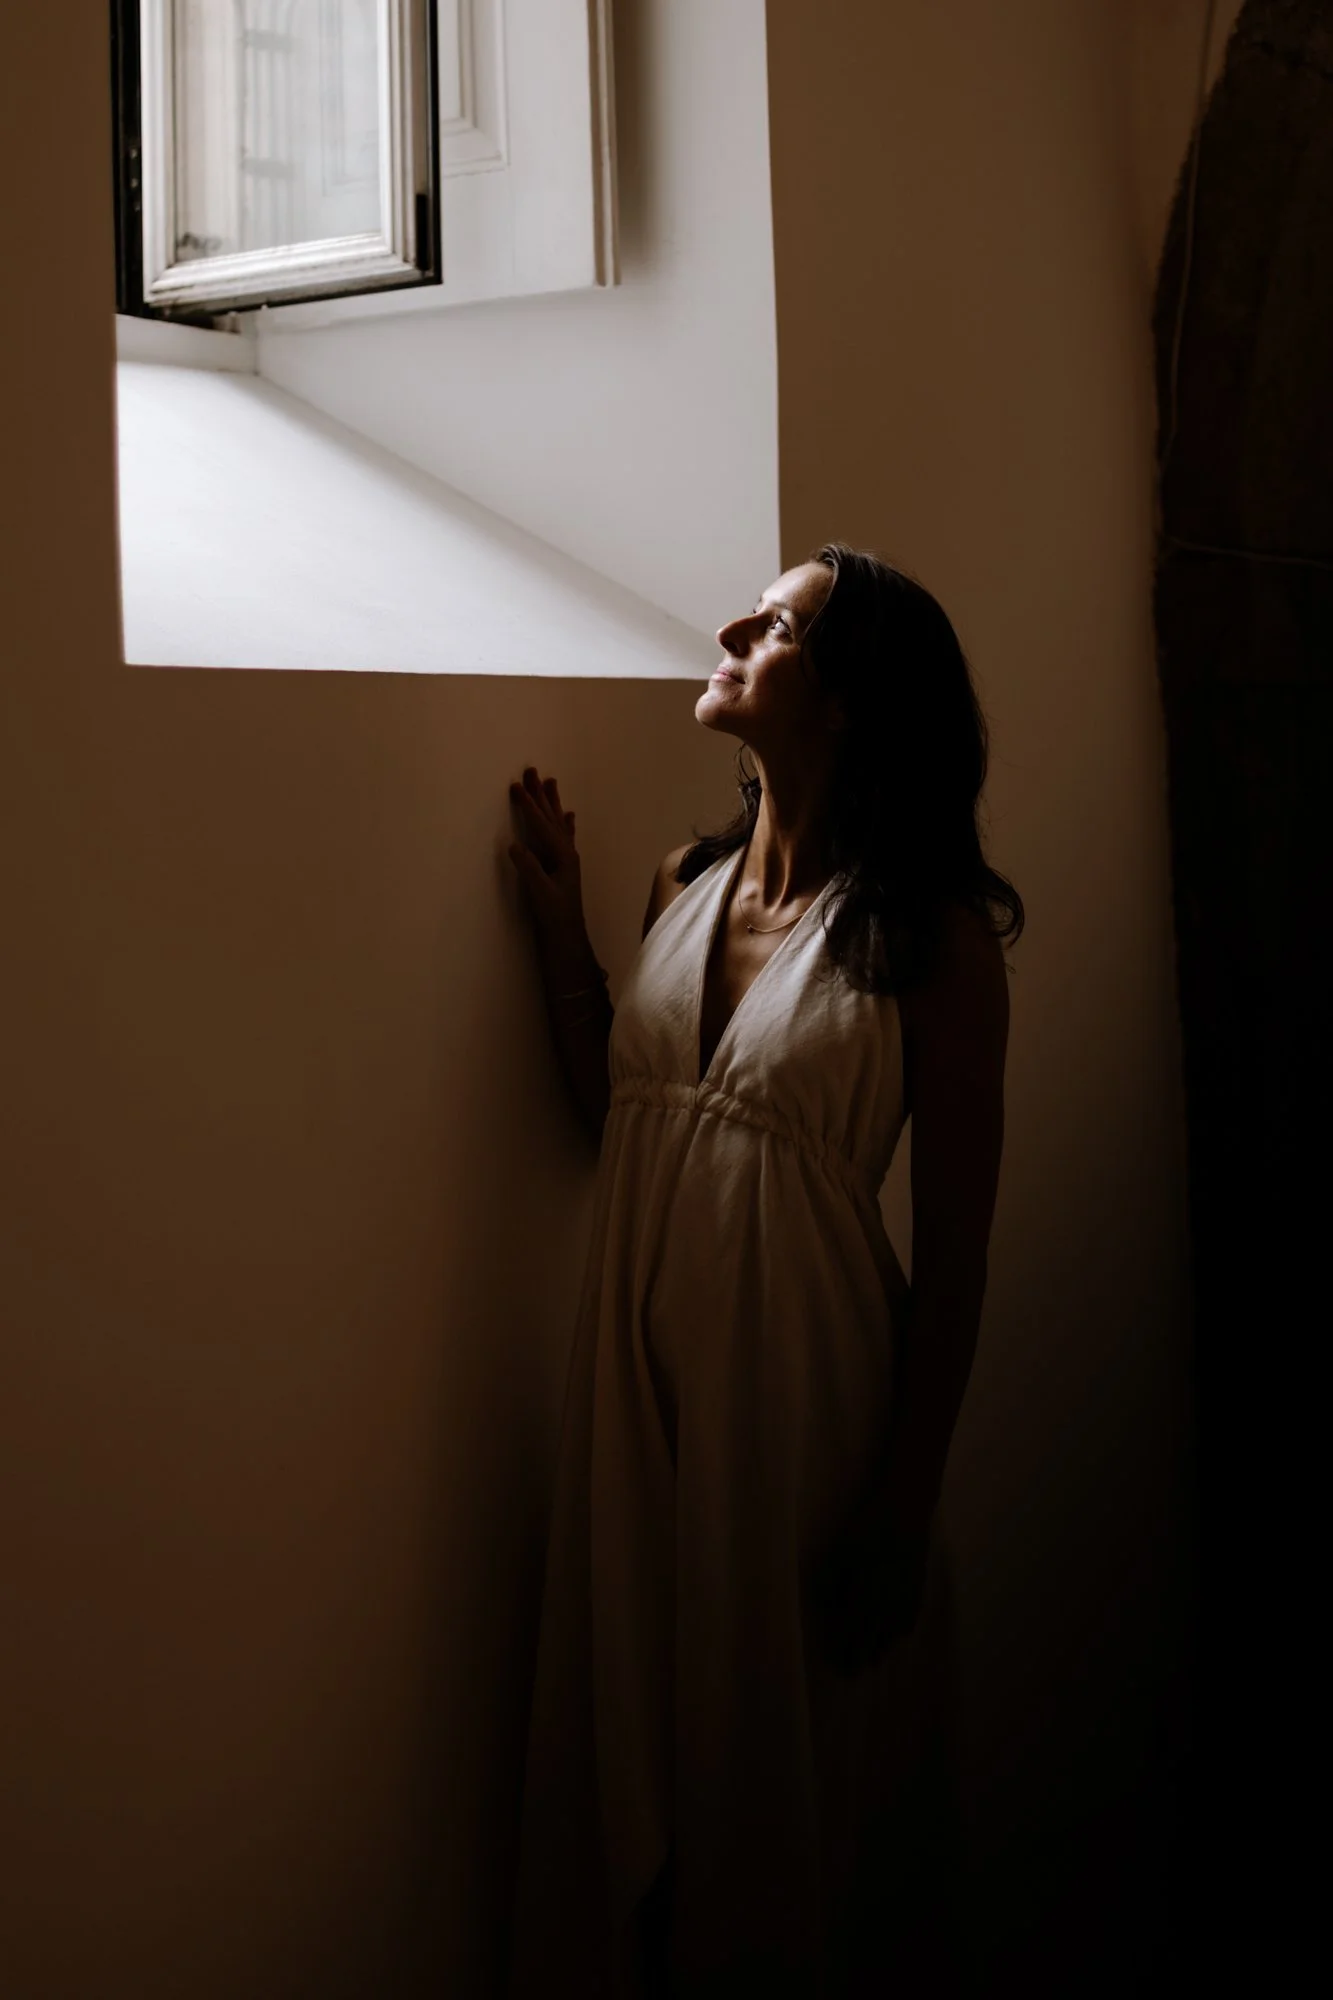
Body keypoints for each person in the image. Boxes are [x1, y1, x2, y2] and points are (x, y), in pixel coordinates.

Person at [503, 544, 1022, 1998]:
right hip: (637, 1394)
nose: (735, 626)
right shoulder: (683, 881)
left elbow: (958, 1251)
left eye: (779, 625)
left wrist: (903, 1504)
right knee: (637, 1749)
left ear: (849, 699)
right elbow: (622, 1120)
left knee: (779, 1787)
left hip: (806, 1401)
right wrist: (561, 930)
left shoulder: (933, 938)